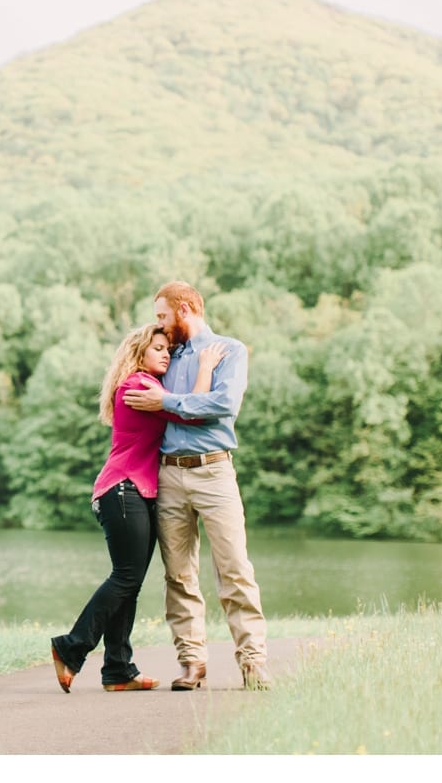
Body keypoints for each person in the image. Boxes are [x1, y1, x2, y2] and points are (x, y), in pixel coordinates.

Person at [50, 323, 224, 693]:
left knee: (128, 582)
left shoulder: (148, 385)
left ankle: (117, 669)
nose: (166, 354)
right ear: (138, 353)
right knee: (126, 577)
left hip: (138, 493)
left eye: (168, 349)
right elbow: (189, 412)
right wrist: (206, 368)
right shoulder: (138, 385)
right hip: (123, 489)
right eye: (158, 348)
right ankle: (71, 646)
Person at [122, 280, 271, 691]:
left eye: (163, 315)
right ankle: (192, 663)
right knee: (179, 575)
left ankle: (253, 663)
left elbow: (223, 405)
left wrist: (167, 402)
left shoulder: (230, 350)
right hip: (168, 473)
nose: (160, 324)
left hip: (214, 472)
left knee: (235, 569)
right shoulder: (163, 355)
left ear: (184, 308)